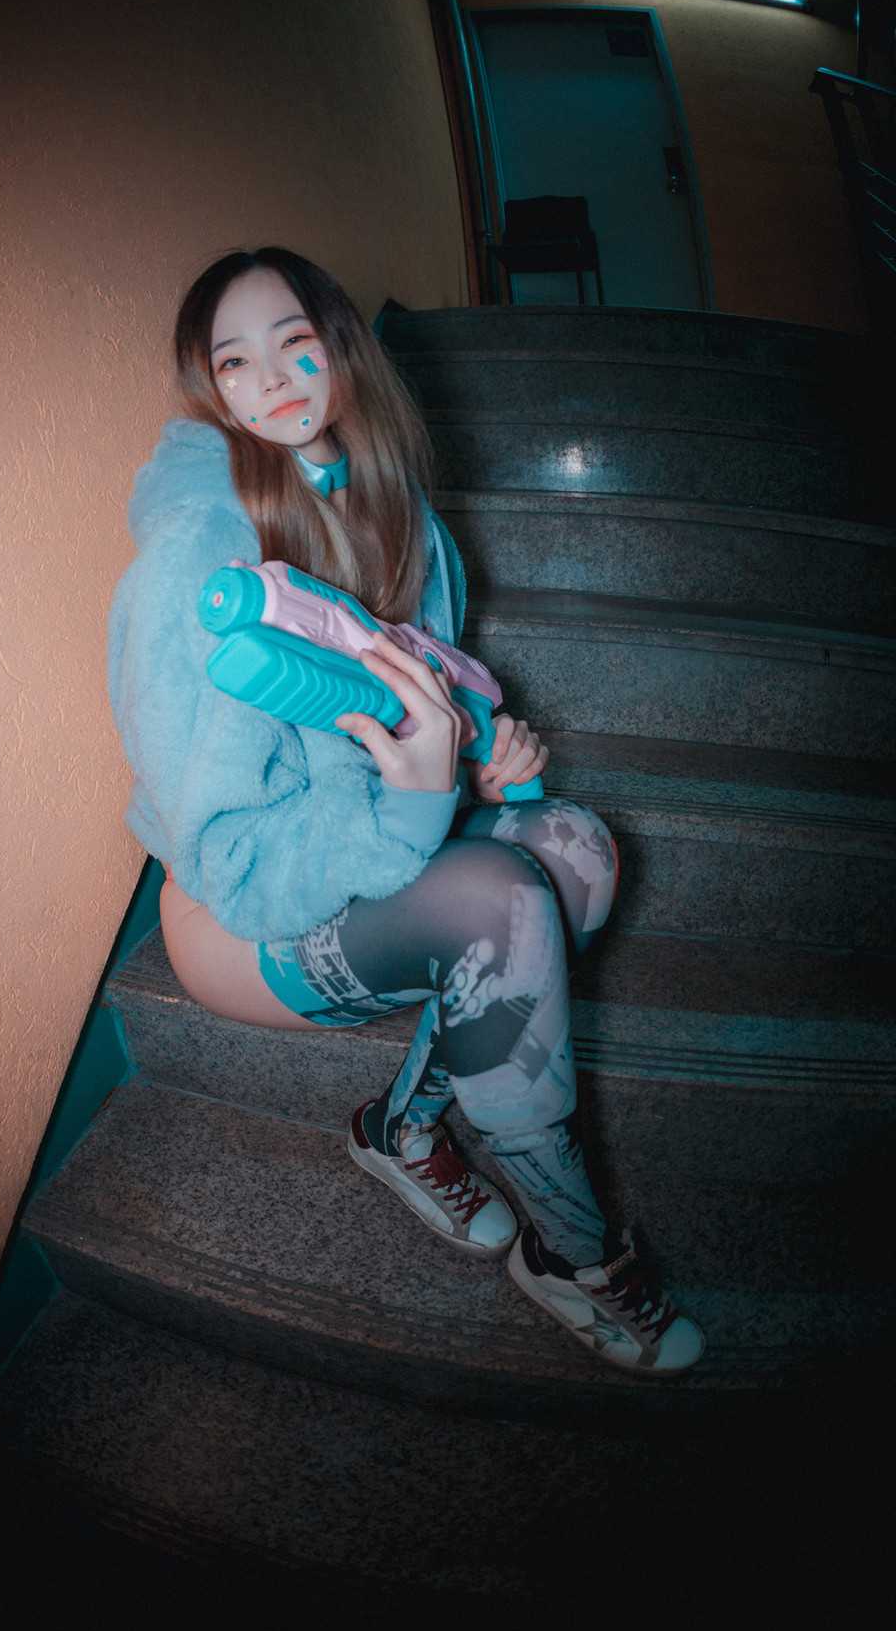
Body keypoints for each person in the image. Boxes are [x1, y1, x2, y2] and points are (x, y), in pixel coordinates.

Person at [106, 245, 704, 1376]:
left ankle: (403, 1128)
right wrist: (415, 805)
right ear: (208, 388)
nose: (272, 378)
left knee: (576, 850)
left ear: (340, 346)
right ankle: (577, 1258)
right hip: (241, 913)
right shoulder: (202, 553)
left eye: (294, 341)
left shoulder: (398, 509)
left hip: (377, 844)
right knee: (496, 903)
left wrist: (477, 767)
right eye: (234, 362)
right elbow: (231, 859)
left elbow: (425, 699)